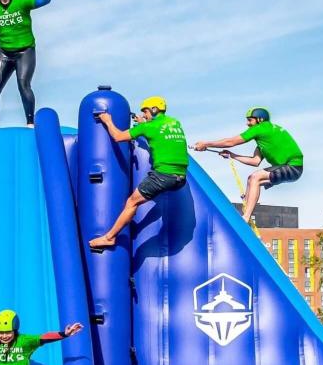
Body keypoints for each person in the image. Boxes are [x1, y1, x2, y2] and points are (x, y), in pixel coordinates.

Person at [88, 96, 189, 251]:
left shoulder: (147, 127)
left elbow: (118, 136)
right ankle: (131, 223)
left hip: (163, 175)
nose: (144, 115)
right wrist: (145, 124)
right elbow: (160, 134)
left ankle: (109, 237)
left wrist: (107, 120)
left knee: (131, 202)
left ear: (154, 110)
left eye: (146, 112)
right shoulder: (175, 123)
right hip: (180, 178)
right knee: (150, 203)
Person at [193, 108, 303, 225]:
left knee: (255, 178)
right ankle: (246, 211)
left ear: (260, 120)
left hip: (293, 166)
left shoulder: (261, 128)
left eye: (250, 120)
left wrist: (206, 143)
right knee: (252, 178)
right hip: (289, 167)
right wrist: (232, 155)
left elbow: (231, 142)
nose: (247, 123)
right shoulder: (265, 138)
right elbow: (255, 161)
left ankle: (246, 217)